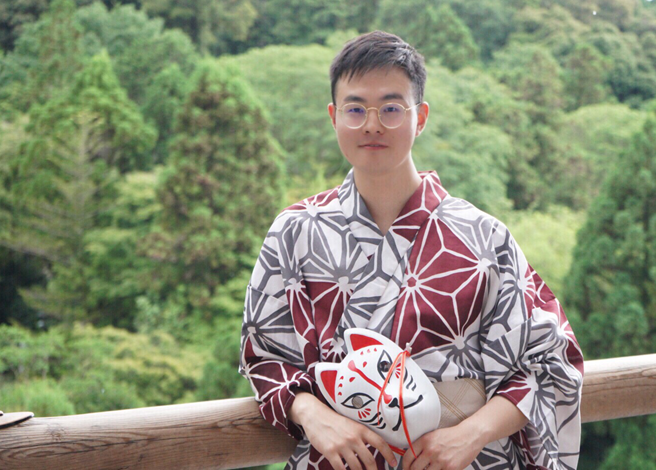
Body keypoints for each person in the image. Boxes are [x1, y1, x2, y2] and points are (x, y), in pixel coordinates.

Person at [239, 31, 584, 470]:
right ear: (333, 116)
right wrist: (312, 414)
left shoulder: (483, 236)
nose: (372, 124)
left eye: (391, 108)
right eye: (355, 108)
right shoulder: (294, 231)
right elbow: (263, 356)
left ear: (420, 117)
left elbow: (550, 362)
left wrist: (471, 434)